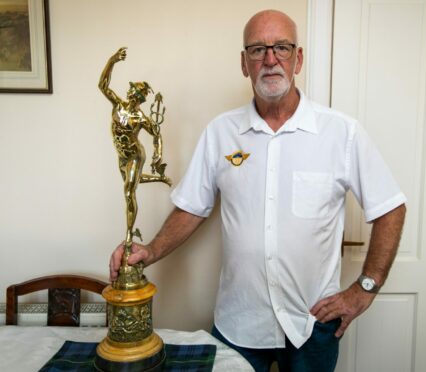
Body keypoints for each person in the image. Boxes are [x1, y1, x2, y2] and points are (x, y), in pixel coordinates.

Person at [109, 10, 406, 372]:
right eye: (257, 50)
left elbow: (390, 207)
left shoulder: (342, 133)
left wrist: (365, 288)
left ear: (298, 58)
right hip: (239, 322)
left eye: (281, 47)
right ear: (243, 63)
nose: (270, 59)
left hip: (312, 325)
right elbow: (192, 207)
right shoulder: (220, 132)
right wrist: (151, 250)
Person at [99, 47, 172, 260]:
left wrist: (158, 153)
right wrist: (112, 61)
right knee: (132, 183)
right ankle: (158, 177)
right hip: (121, 156)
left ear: (139, 98)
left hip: (134, 155)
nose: (130, 93)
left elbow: (156, 133)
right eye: (131, 90)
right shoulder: (118, 105)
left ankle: (129, 237)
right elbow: (102, 85)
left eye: (134, 93)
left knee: (129, 193)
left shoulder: (140, 118)